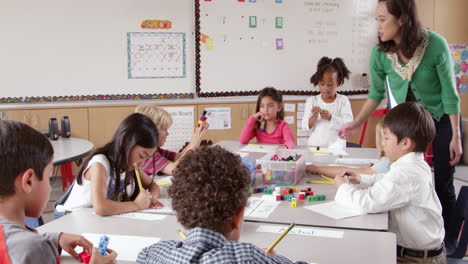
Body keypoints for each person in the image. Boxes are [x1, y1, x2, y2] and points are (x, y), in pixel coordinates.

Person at [338, 0, 462, 235]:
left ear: (403, 18)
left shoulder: (435, 45)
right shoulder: (380, 54)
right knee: (398, 175)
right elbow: (375, 94)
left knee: (443, 183)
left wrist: (456, 136)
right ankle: (402, 232)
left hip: (441, 118)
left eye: (382, 19)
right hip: (406, 125)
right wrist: (356, 123)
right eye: (376, 19)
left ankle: (447, 239)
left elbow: (450, 93)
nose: (378, 26)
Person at [136, 145, 307, 264]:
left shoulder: (154, 255)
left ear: (180, 213)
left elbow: (143, 256)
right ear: (238, 216)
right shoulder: (249, 257)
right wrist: (271, 258)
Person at [335, 102, 445, 263]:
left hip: (416, 258)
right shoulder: (414, 164)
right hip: (419, 251)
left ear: (405, 143)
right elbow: (388, 180)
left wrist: (342, 187)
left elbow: (367, 203)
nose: (383, 144)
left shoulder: (406, 173)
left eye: (386, 138)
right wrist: (361, 179)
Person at [0, 120, 117, 263]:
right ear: (28, 181)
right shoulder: (34, 248)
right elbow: (27, 248)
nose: (49, 187)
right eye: (49, 177)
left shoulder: (23, 244)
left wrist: (55, 238)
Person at [56, 113, 162, 216]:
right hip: (69, 218)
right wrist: (136, 205)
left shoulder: (129, 164)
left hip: (91, 220)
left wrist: (150, 198)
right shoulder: (100, 164)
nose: (142, 164)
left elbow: (153, 185)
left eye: (147, 159)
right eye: (141, 156)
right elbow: (100, 207)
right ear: (126, 142)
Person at [135, 104, 209, 176]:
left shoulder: (155, 150)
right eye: (165, 129)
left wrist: (195, 137)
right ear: (151, 131)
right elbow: (175, 169)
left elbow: (179, 156)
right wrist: (193, 144)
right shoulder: (145, 155)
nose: (167, 133)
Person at [307, 120, 391, 176]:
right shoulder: (388, 161)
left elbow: (348, 171)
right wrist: (376, 167)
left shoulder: (387, 163)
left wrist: (317, 169)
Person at [302, 57, 353, 147]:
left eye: (330, 84)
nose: (326, 88)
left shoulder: (343, 100)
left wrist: (330, 117)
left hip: (337, 148)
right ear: (318, 83)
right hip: (315, 147)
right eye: (322, 84)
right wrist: (313, 116)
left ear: (338, 82)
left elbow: (349, 125)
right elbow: (305, 127)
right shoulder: (312, 101)